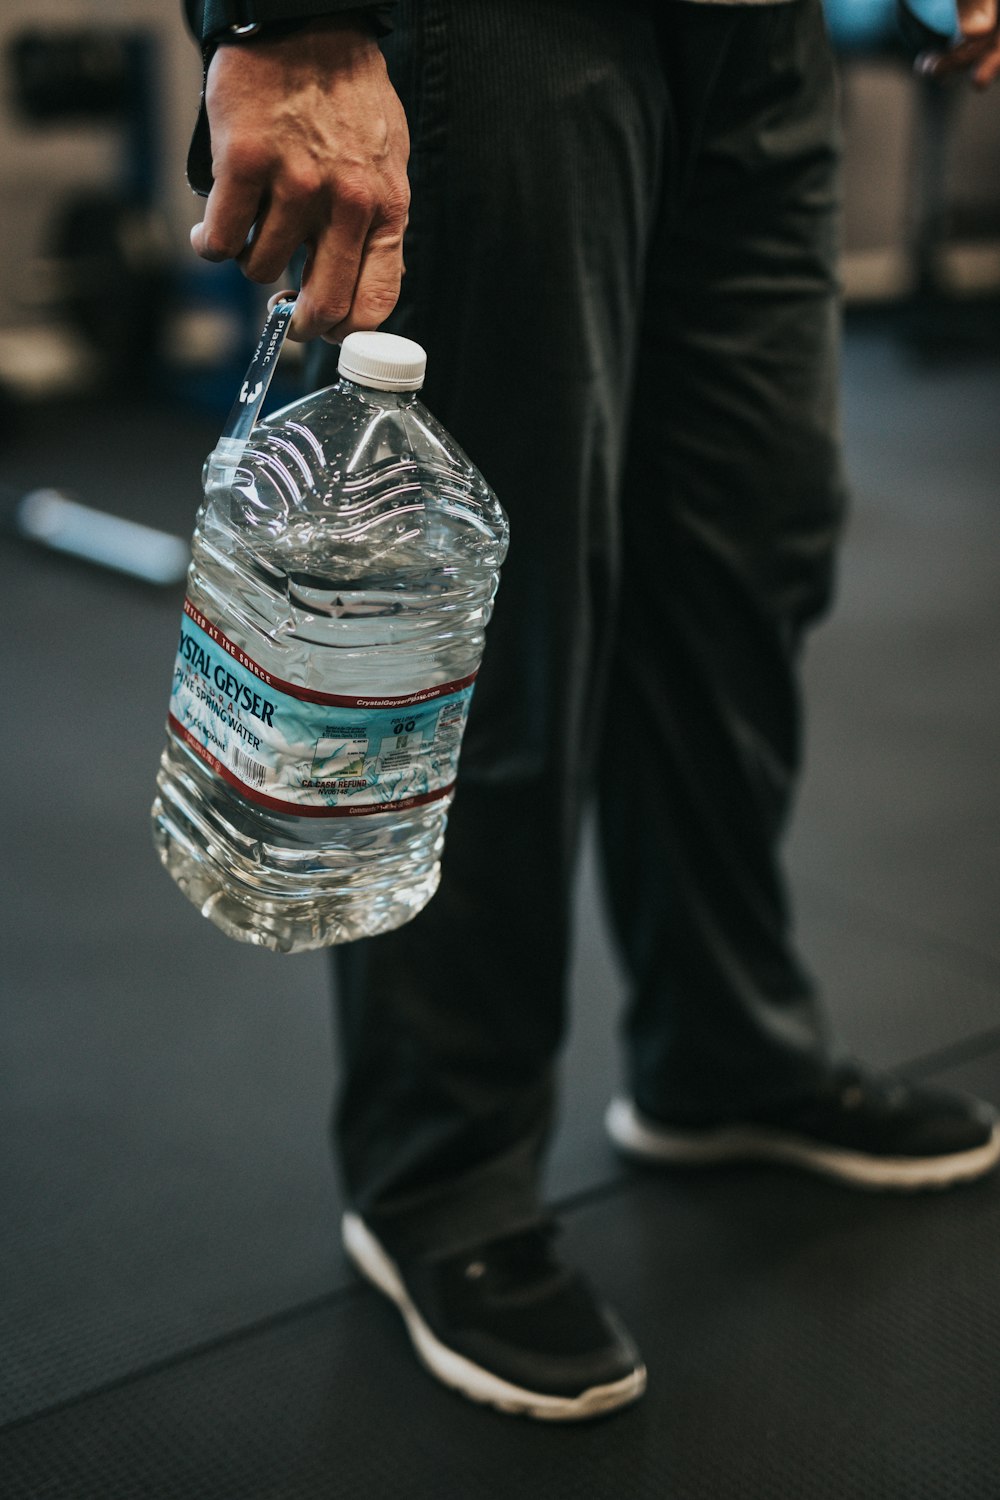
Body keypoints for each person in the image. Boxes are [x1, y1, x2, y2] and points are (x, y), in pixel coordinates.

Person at [182, 0, 1000, 1421]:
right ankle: (439, 1173)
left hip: (760, 38)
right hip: (501, 28)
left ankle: (722, 1049)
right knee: (492, 622)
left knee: (746, 560)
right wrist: (281, 18)